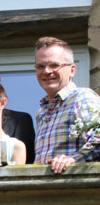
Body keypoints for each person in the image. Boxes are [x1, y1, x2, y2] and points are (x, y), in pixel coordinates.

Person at [34, 36, 100, 174]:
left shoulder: (81, 97)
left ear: (72, 70)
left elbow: (98, 139)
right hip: (43, 190)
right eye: (40, 66)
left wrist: (73, 160)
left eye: (54, 65)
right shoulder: (41, 112)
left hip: (72, 188)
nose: (46, 71)